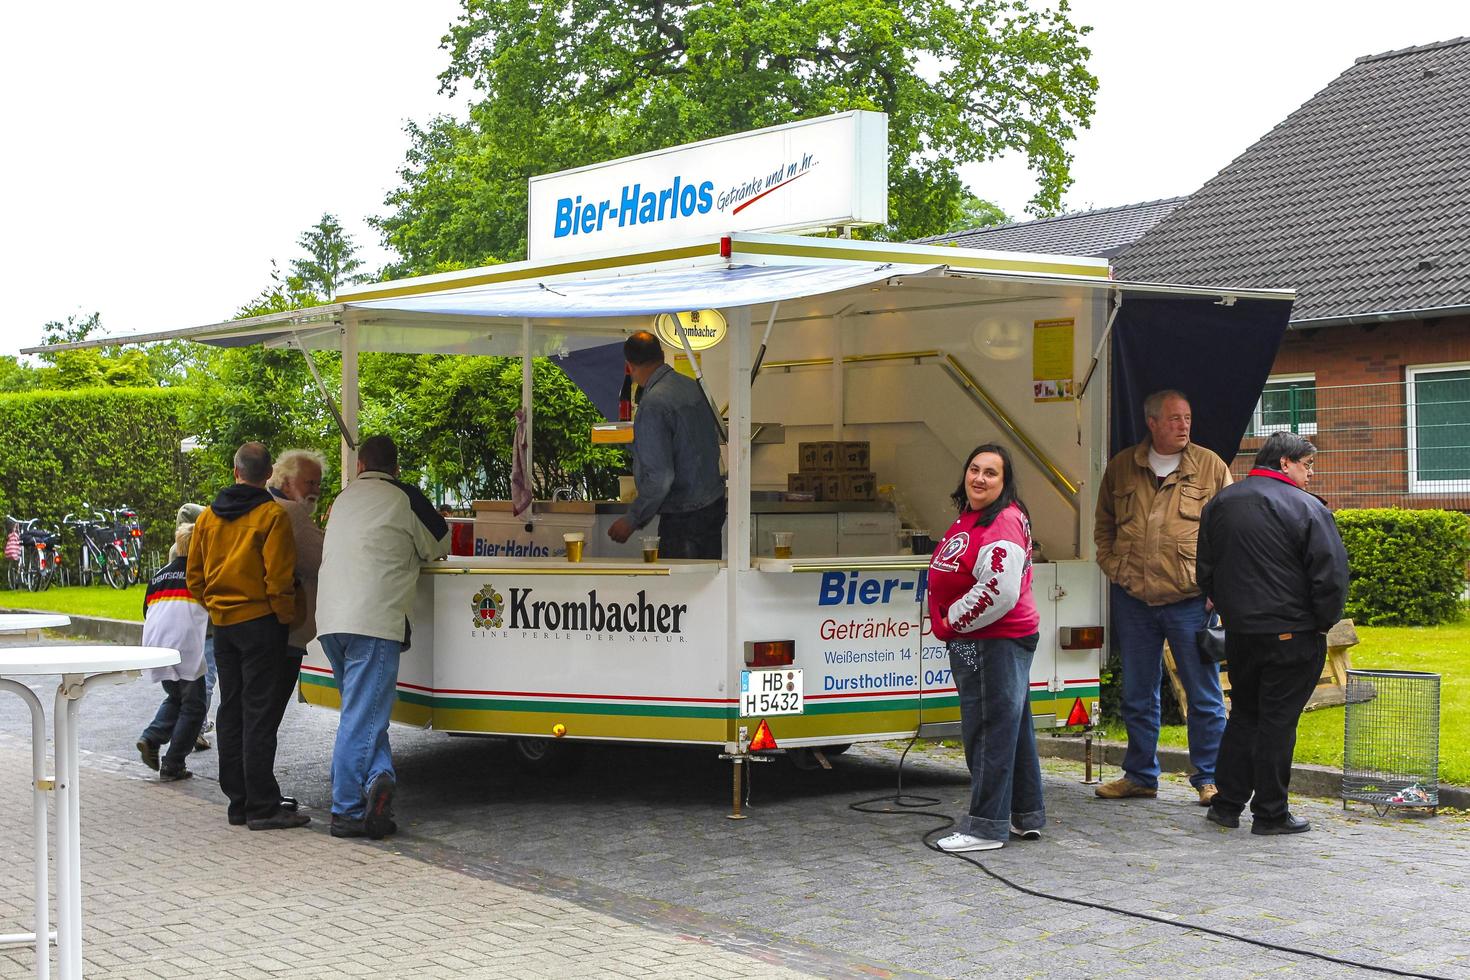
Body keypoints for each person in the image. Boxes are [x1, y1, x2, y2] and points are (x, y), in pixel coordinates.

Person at [1197, 432, 1348, 835]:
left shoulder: (1221, 503)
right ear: (1285, 463)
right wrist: (1320, 622)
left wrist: (1232, 612)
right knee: (1278, 723)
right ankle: (1270, 812)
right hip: (1292, 633)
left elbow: (1205, 571)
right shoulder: (1307, 509)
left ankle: (1226, 805)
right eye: (1307, 464)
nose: (1311, 474)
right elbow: (1330, 577)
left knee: (1244, 715)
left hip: (1241, 633)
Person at [1094, 389, 1232, 806]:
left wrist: (1217, 590)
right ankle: (1140, 775)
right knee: (1137, 692)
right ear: (1151, 423)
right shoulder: (1122, 467)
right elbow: (1103, 526)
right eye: (1173, 419)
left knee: (1204, 695)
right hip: (1134, 600)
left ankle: (1210, 778)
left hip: (1191, 601)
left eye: (1187, 418)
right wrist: (1115, 568)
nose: (1183, 426)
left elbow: (1230, 532)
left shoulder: (1209, 466)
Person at [316, 436, 449, 839]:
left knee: (362, 715)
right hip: (372, 621)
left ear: (359, 466)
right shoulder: (404, 497)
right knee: (362, 719)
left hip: (330, 622)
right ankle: (346, 810)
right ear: (396, 468)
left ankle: (379, 779)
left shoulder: (341, 499)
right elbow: (439, 545)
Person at [927, 444, 1044, 852]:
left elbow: (999, 589)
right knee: (1013, 729)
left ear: (1004, 481)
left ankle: (984, 827)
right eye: (974, 469)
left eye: (990, 473)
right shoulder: (979, 516)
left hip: (992, 640)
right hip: (995, 639)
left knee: (988, 730)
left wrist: (950, 621)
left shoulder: (1002, 524)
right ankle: (1024, 814)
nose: (979, 478)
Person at [187, 442, 305, 831]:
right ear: (268, 473)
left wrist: (218, 607)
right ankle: (262, 804)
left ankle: (237, 799)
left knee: (231, 708)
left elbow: (195, 578)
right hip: (262, 623)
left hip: (225, 625)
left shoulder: (206, 518)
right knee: (259, 712)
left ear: (235, 470)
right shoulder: (272, 515)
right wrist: (284, 617)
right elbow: (279, 577)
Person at [607, 331, 725, 559]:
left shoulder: (653, 405)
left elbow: (661, 476)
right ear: (661, 355)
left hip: (683, 518)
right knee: (708, 588)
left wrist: (633, 519)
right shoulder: (693, 387)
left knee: (681, 592)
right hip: (712, 505)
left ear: (629, 366)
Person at [135, 524, 210, 781]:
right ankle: (173, 763)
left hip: (157, 645)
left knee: (177, 696)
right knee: (195, 705)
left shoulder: (159, 575)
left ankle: (151, 738)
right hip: (186, 646)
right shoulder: (202, 574)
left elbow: (147, 610)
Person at [266, 449, 325, 724]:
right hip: (285, 628)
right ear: (286, 481)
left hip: (240, 624)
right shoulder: (292, 513)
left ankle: (238, 768)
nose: (316, 490)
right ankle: (259, 769)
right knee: (269, 713)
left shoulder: (258, 505)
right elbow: (321, 560)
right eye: (309, 483)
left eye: (318, 483)